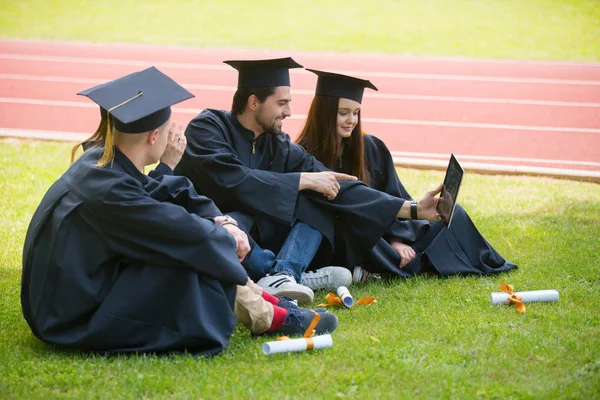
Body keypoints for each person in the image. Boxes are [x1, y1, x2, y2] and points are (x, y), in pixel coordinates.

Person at [21, 66, 337, 356]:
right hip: (71, 316)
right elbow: (181, 231)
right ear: (154, 136)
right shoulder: (109, 191)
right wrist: (225, 238)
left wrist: (222, 220)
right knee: (193, 255)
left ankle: (269, 305)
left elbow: (166, 190)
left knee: (201, 241)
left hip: (75, 290)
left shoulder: (100, 162)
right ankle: (271, 315)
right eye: (168, 128)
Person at [174, 58, 445, 303]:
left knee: (323, 194)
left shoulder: (277, 143)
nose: (289, 112)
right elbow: (232, 180)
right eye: (282, 103)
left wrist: (412, 209)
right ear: (254, 102)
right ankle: (288, 275)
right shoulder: (208, 127)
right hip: (220, 228)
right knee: (246, 221)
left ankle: (284, 273)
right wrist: (301, 180)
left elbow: (337, 185)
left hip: (263, 234)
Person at [295, 69, 518, 279]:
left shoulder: (369, 146)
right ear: (324, 113)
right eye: (343, 113)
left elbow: (393, 193)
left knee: (453, 214)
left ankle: (391, 264)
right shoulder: (303, 156)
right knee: (358, 231)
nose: (351, 120)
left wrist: (397, 239)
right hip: (349, 238)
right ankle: (395, 262)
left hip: (381, 238)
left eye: (356, 113)